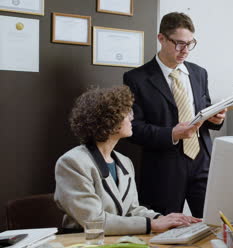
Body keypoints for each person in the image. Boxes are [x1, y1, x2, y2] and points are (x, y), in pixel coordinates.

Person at [54, 86, 199, 235]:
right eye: (127, 112)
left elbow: (132, 210)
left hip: (119, 241)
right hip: (82, 245)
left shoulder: (124, 162)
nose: (132, 118)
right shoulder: (72, 162)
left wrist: (163, 218)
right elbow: (94, 221)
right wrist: (152, 224)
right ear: (110, 119)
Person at [123, 12, 225, 217]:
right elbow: (134, 129)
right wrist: (172, 134)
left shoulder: (199, 73)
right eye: (179, 43)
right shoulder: (137, 78)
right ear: (161, 39)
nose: (185, 50)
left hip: (202, 161)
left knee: (212, 224)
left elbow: (204, 111)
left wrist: (216, 119)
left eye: (190, 43)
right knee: (165, 234)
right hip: (164, 167)